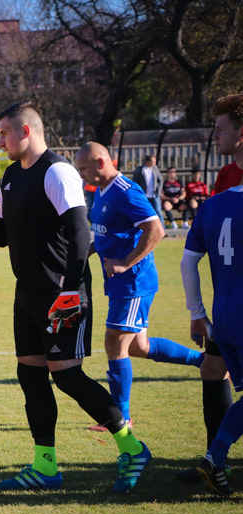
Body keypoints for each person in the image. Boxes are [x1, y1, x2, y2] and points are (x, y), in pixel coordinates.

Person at [0, 102, 150, 493]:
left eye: (3, 133)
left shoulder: (57, 171)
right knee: (31, 376)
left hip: (62, 293)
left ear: (25, 131)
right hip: (28, 295)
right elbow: (3, 235)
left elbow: (80, 234)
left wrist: (70, 291)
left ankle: (132, 447)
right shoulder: (9, 177)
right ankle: (45, 466)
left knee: (67, 376)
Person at [75, 142, 202, 432]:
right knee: (139, 347)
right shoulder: (102, 191)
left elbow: (156, 229)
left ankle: (121, 419)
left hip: (133, 283)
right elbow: (116, 230)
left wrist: (125, 262)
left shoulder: (125, 191)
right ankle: (204, 361)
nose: (81, 174)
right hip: (120, 283)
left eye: (84, 168)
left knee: (115, 344)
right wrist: (94, 248)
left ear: (101, 161)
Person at [176, 94, 243, 483]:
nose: (213, 136)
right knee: (212, 370)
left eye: (220, 129)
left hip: (229, 311)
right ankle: (215, 458)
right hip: (228, 308)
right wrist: (197, 311)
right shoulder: (224, 179)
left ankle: (215, 459)